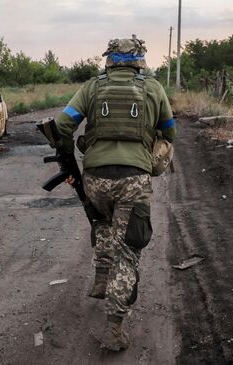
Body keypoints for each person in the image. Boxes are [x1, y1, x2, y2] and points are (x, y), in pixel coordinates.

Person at [54, 35, 176, 351]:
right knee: (129, 249)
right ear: (140, 60)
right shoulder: (154, 88)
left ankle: (101, 277)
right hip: (133, 180)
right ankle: (114, 328)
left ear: (109, 59)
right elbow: (170, 132)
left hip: (95, 179)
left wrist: (69, 160)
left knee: (103, 222)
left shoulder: (92, 87)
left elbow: (62, 125)